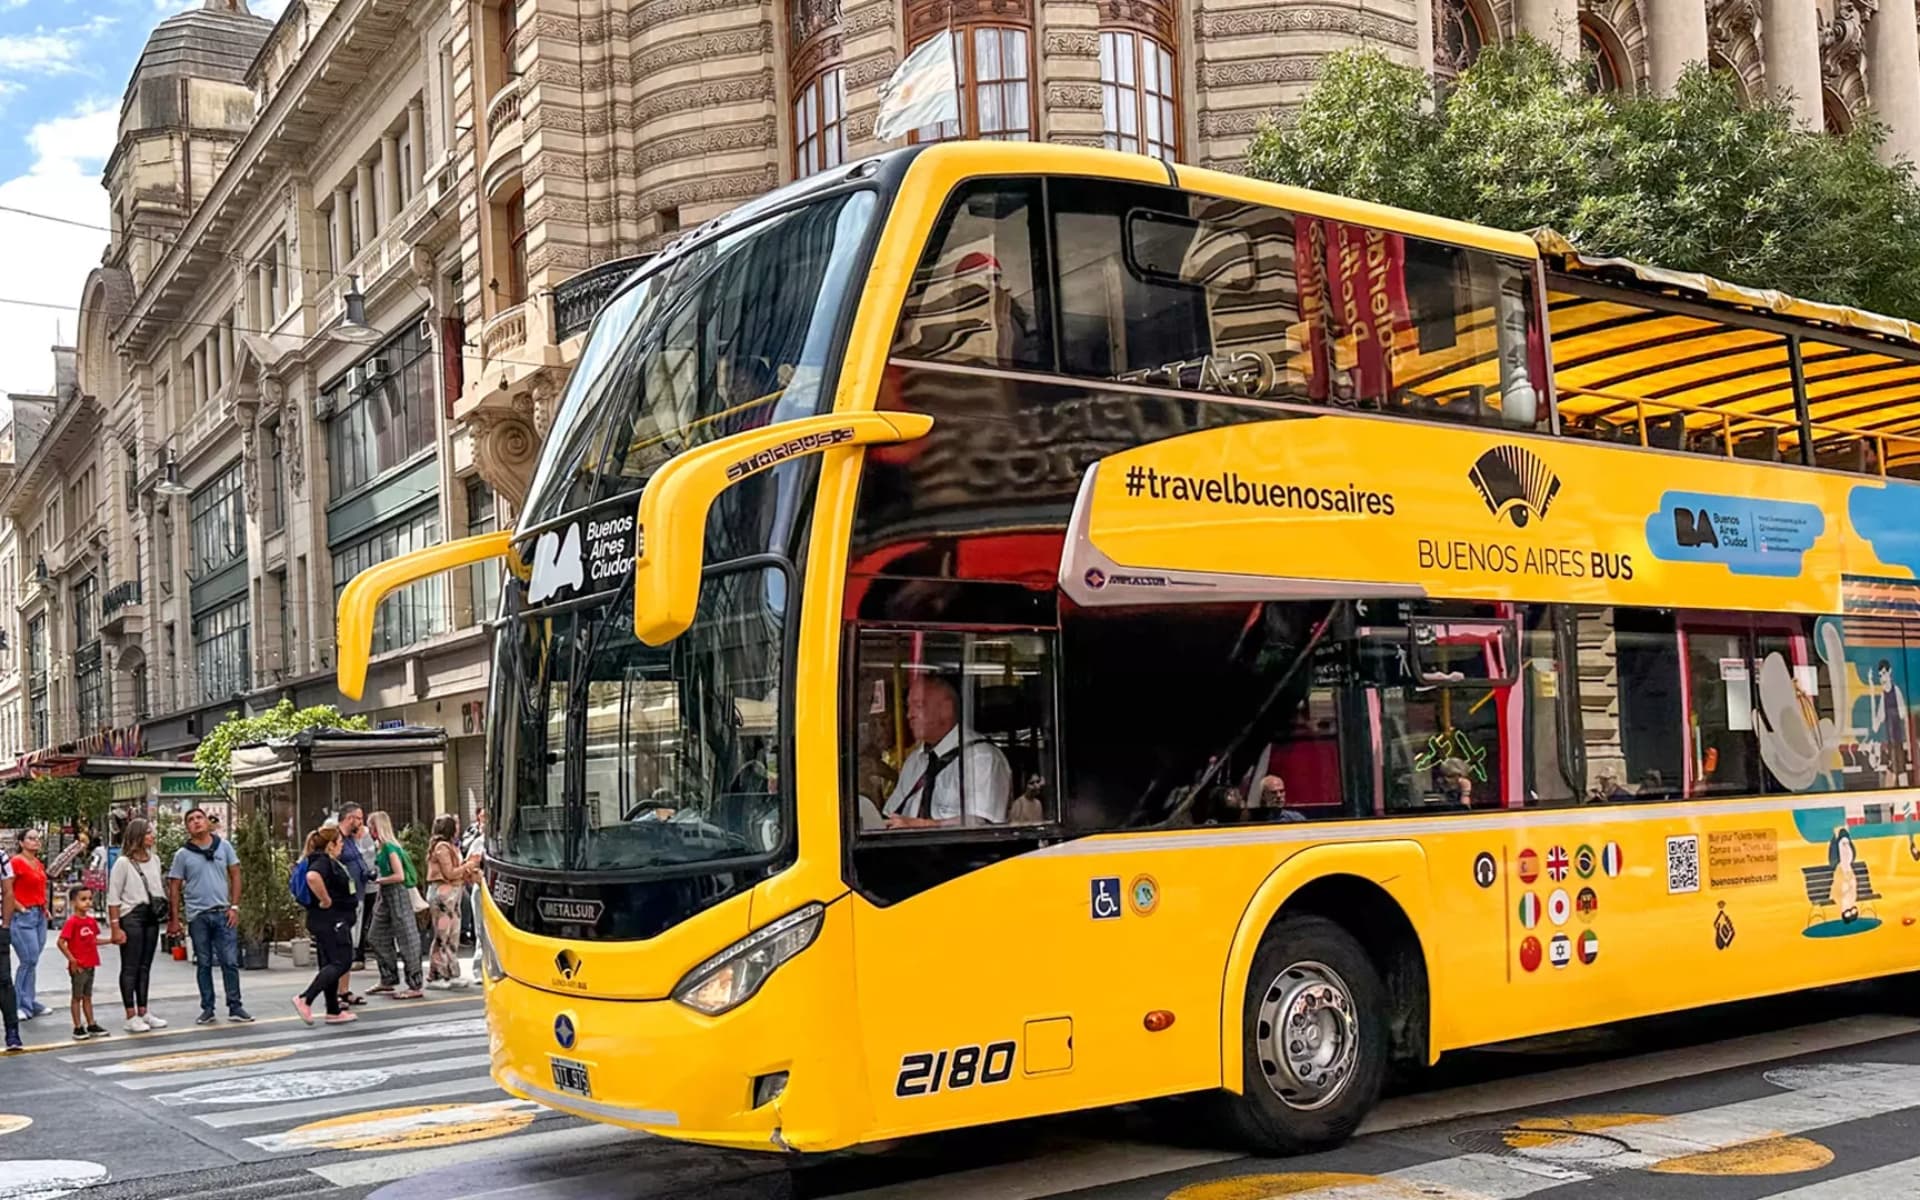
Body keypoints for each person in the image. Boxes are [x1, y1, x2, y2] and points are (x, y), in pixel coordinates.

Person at [881, 674, 1012, 829]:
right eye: (908, 707)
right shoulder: (915, 760)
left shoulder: (981, 758)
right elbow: (892, 812)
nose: (910, 715)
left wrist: (923, 825)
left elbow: (979, 823)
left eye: (919, 706)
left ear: (946, 709)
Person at [166, 807, 253, 1025]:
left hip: (223, 912)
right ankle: (208, 1008)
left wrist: (234, 906)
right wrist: (175, 918)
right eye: (191, 820)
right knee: (203, 963)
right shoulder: (182, 855)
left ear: (207, 822)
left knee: (230, 961)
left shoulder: (223, 846)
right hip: (198, 916)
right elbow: (174, 887)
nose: (196, 822)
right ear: (187, 827)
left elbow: (235, 874)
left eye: (199, 818)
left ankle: (235, 1006)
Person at [106, 818, 168, 1034]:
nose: (152, 836)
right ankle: (130, 1014)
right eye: (148, 833)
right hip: (131, 915)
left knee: (145, 965)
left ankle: (144, 1010)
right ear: (138, 836)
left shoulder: (155, 859)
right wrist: (115, 926)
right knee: (130, 966)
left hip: (151, 915)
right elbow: (113, 897)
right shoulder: (123, 863)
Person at [292, 828, 358, 1026]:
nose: (342, 846)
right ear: (330, 845)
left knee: (329, 963)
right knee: (342, 961)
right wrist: (326, 899)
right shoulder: (322, 861)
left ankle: (333, 1010)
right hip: (332, 920)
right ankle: (306, 998)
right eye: (340, 843)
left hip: (324, 920)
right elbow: (313, 877)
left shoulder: (323, 860)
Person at [365, 811, 424, 999]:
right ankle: (388, 978)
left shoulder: (390, 848)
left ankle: (414, 984)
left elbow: (399, 876)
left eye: (371, 826)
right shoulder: (380, 847)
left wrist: (380, 880)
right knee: (375, 935)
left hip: (396, 891)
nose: (369, 830)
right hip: (386, 893)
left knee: (407, 938)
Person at [425, 815, 477, 989]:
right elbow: (450, 873)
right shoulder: (441, 847)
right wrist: (468, 866)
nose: (458, 828)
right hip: (442, 894)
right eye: (456, 826)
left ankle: (452, 972)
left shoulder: (451, 846)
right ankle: (436, 974)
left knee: (453, 934)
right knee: (442, 935)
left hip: (453, 895)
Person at [57, 885, 108, 1041]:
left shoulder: (91, 922)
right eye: (83, 899)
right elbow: (61, 942)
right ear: (73, 902)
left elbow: (93, 940)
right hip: (78, 965)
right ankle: (78, 1026)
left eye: (89, 899)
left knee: (87, 996)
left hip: (90, 963)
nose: (87, 902)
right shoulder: (72, 922)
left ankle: (91, 1023)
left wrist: (111, 940)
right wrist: (72, 959)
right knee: (77, 997)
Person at [10, 829, 50, 1022]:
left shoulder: (37, 863)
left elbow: (41, 886)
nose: (35, 842)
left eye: (37, 839)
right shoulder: (16, 862)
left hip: (39, 914)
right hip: (23, 916)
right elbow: (7, 888)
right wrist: (19, 907)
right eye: (31, 838)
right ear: (21, 842)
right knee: (28, 960)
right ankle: (17, 1004)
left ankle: (29, 1001)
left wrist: (45, 907)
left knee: (32, 961)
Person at [337, 805, 379, 973]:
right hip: (347, 892)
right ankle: (353, 955)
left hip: (364, 887)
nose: (361, 822)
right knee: (353, 925)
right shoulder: (338, 838)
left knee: (362, 922)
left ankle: (355, 955)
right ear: (349, 818)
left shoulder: (350, 838)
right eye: (359, 818)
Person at [0, 843, 20, 1051]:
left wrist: (5, 925)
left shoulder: (1, 857)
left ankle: (12, 1032)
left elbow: (8, 891)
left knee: (4, 980)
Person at [458, 809, 485, 948]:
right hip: (481, 888)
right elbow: (470, 865)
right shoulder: (478, 841)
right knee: (482, 933)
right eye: (483, 817)